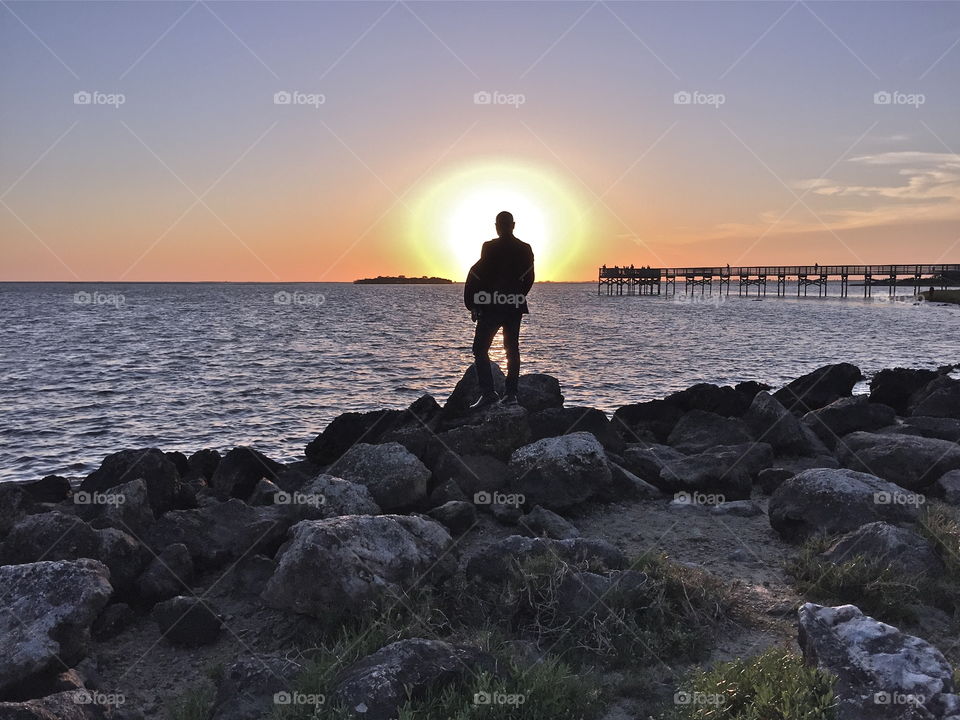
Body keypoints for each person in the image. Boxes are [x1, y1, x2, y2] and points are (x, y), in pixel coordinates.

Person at [463, 211, 535, 409]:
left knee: (480, 349)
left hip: (491, 305)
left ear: (497, 226)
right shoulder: (525, 248)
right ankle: (511, 394)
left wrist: (474, 303)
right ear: (513, 225)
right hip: (514, 305)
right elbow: (529, 279)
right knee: (512, 349)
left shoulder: (489, 247)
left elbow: (478, 276)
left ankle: (488, 393)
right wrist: (518, 296)